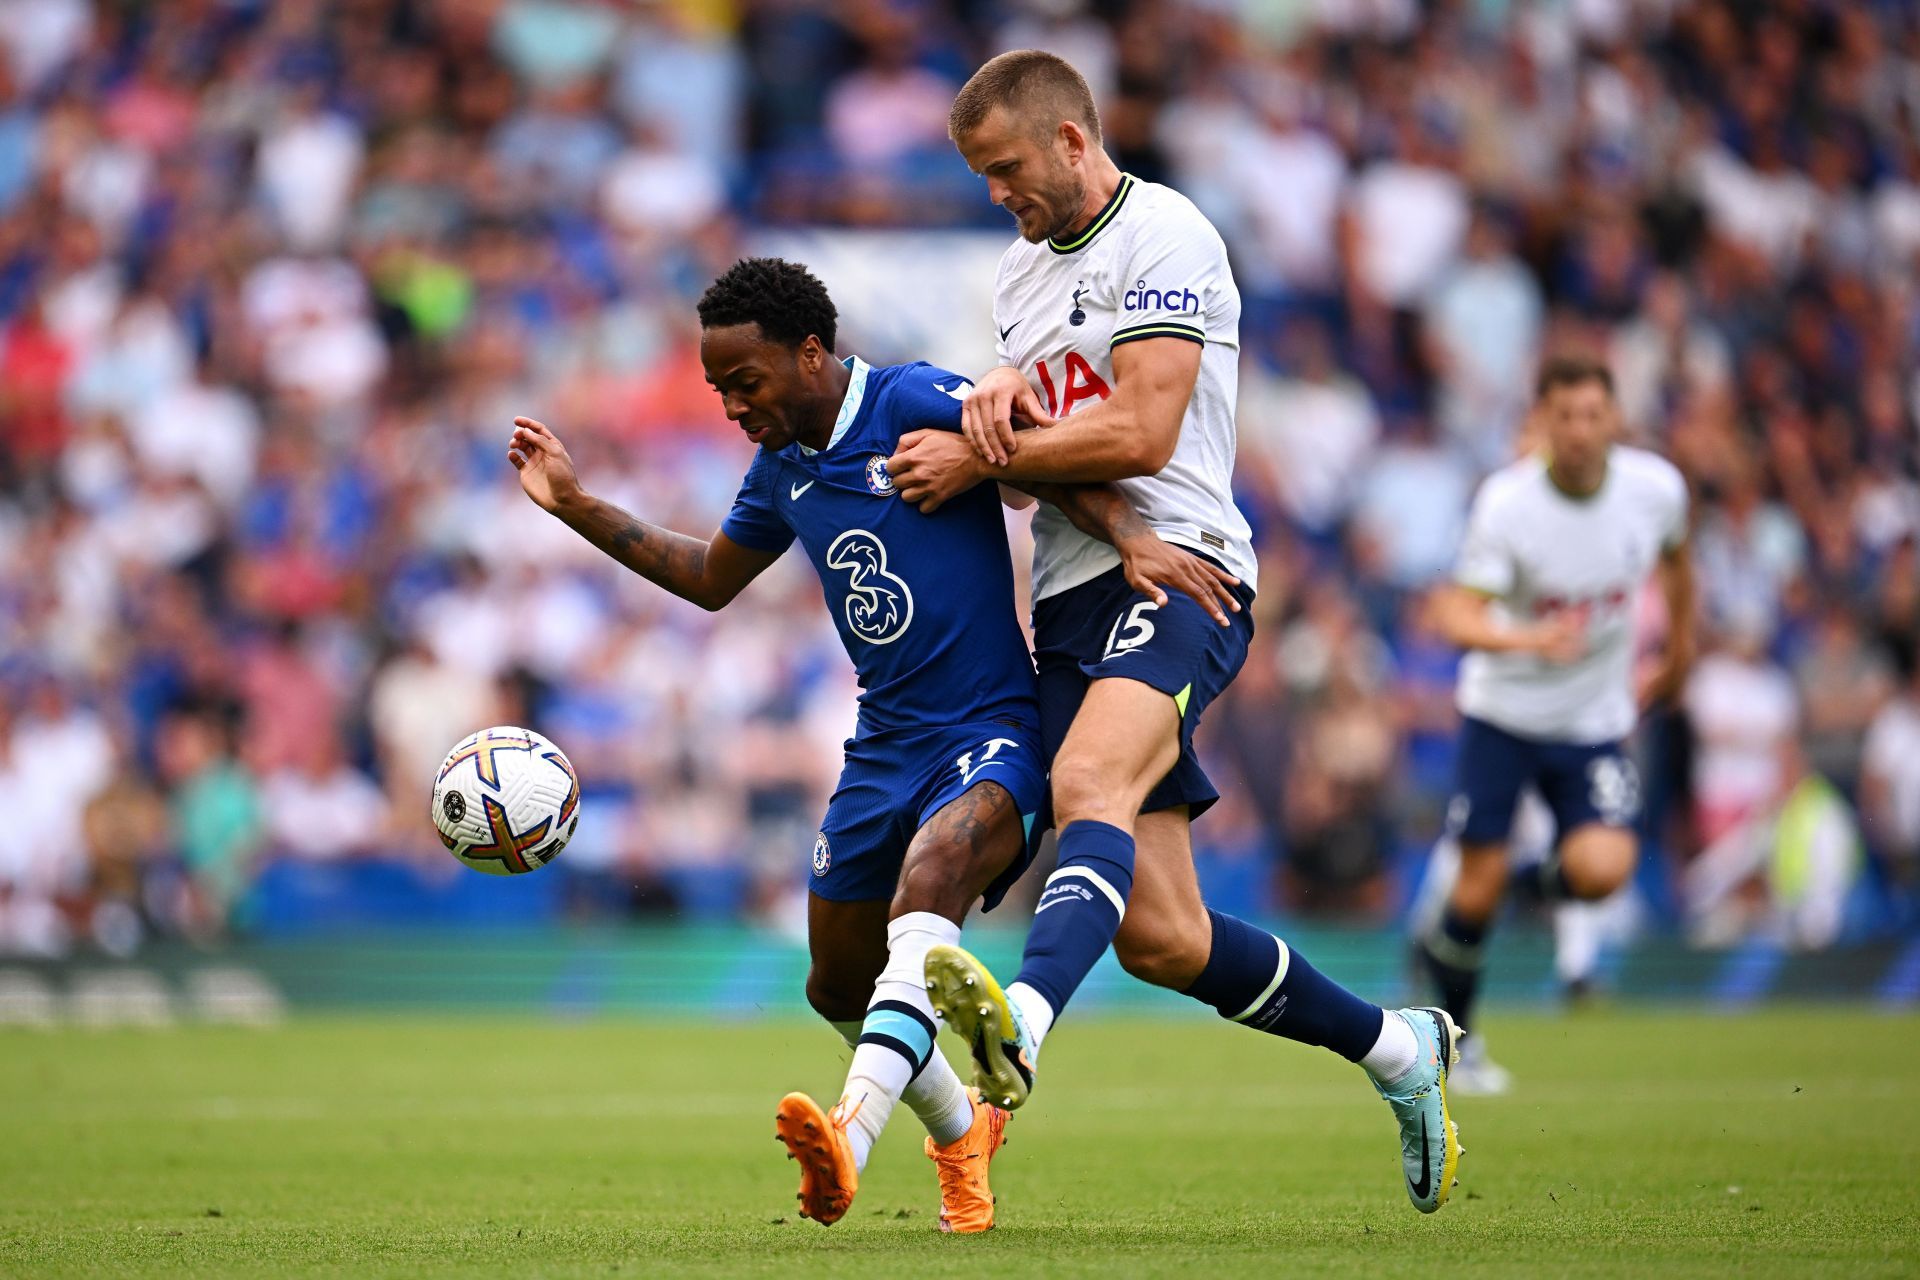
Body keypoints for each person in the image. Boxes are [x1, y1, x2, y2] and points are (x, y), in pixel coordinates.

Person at [507, 256, 1236, 1232]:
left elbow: (1040, 454)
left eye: (746, 382)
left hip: (991, 732)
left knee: (931, 877)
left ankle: (849, 1134)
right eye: (719, 388)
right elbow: (711, 575)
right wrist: (575, 502)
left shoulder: (915, 398)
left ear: (811, 354)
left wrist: (1130, 533)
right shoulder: (781, 472)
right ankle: (955, 1140)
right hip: (881, 746)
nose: (731, 404)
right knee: (834, 980)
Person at [884, 51, 1464, 1214]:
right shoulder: (1015, 278)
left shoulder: (1171, 236)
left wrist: (983, 444)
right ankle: (1403, 1050)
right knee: (1162, 935)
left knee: (1090, 777)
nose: (999, 194)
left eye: (1006, 170)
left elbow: (1146, 431)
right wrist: (992, 415)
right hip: (1069, 596)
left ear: (1068, 139)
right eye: (980, 178)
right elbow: (1027, 473)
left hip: (1182, 570)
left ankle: (1023, 1038)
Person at [1420, 354, 1695, 1091]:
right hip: (1503, 712)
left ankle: (1498, 892)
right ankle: (1460, 1044)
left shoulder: (1654, 490)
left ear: (1614, 419)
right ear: (1543, 422)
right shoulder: (1507, 504)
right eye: (1564, 417)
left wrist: (1679, 655)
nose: (1579, 432)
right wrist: (1527, 640)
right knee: (1471, 894)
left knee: (1604, 868)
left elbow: (1678, 564)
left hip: (1593, 718)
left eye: (1592, 415)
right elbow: (1452, 614)